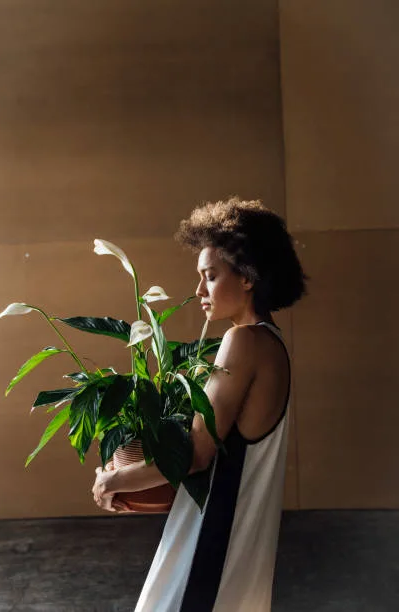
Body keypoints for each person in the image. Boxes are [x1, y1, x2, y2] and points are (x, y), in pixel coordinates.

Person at [92, 196, 307, 611]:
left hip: (214, 541)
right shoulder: (273, 343)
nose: (198, 291)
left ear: (247, 276)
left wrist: (114, 480)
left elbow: (193, 455)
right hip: (239, 542)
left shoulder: (242, 341)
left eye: (209, 276)